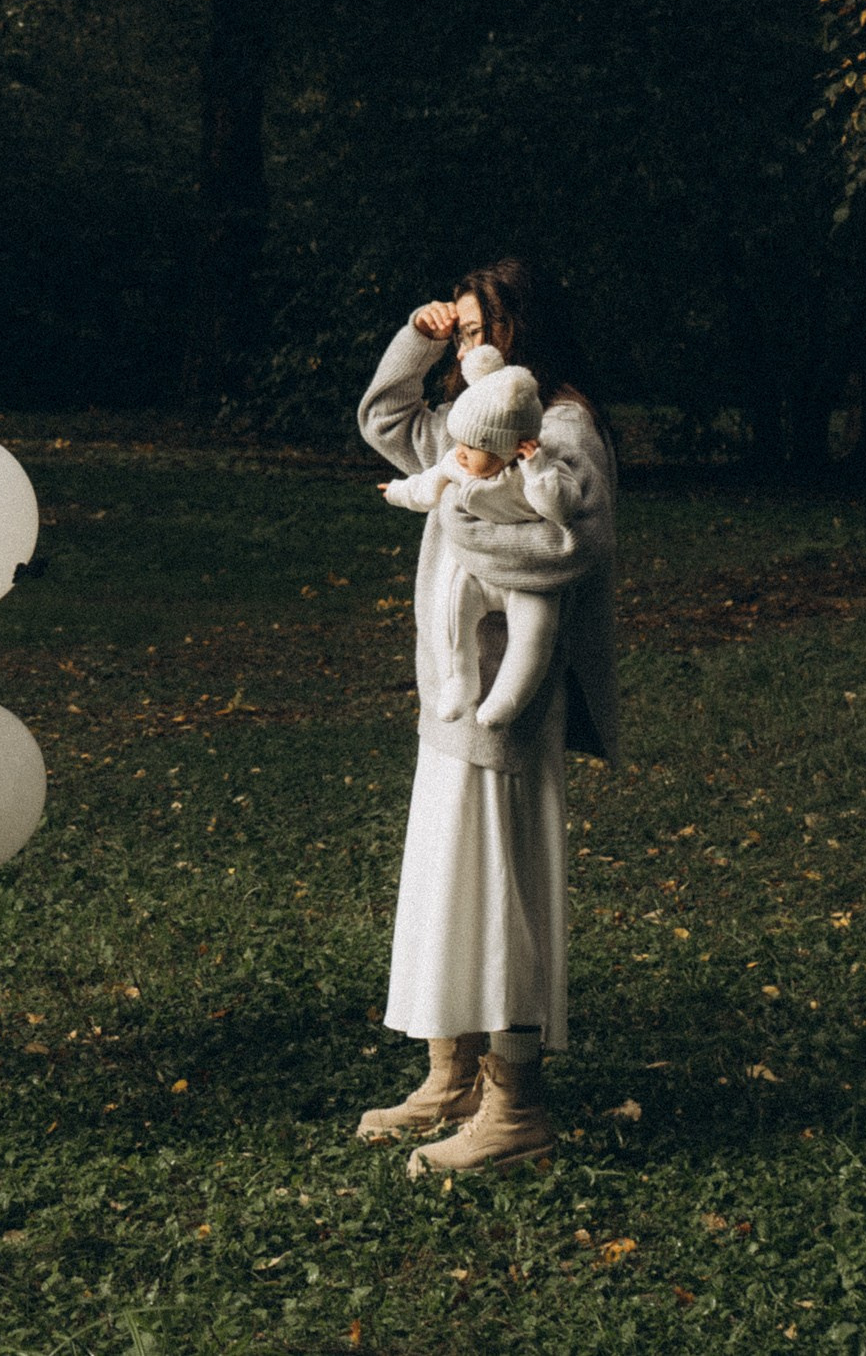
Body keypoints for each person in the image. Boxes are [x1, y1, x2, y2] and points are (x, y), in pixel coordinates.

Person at [354, 259, 622, 1176]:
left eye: (478, 328)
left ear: (522, 327)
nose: (467, 344)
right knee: (454, 875)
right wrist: (418, 339)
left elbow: (574, 541)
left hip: (512, 695)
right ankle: (453, 1074)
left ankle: (516, 1108)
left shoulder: (558, 425)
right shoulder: (476, 417)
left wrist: (461, 520)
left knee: (502, 885)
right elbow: (386, 422)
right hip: (454, 693)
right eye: (462, 330)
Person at [377, 343, 583, 728]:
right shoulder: (457, 464)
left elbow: (561, 508)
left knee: (535, 633)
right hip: (474, 571)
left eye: (475, 445)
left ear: (510, 448)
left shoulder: (534, 473)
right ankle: (460, 678)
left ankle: (508, 698)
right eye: (460, 442)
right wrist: (398, 492)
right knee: (449, 607)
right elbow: (427, 486)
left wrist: (537, 469)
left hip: (526, 578)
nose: (462, 452)